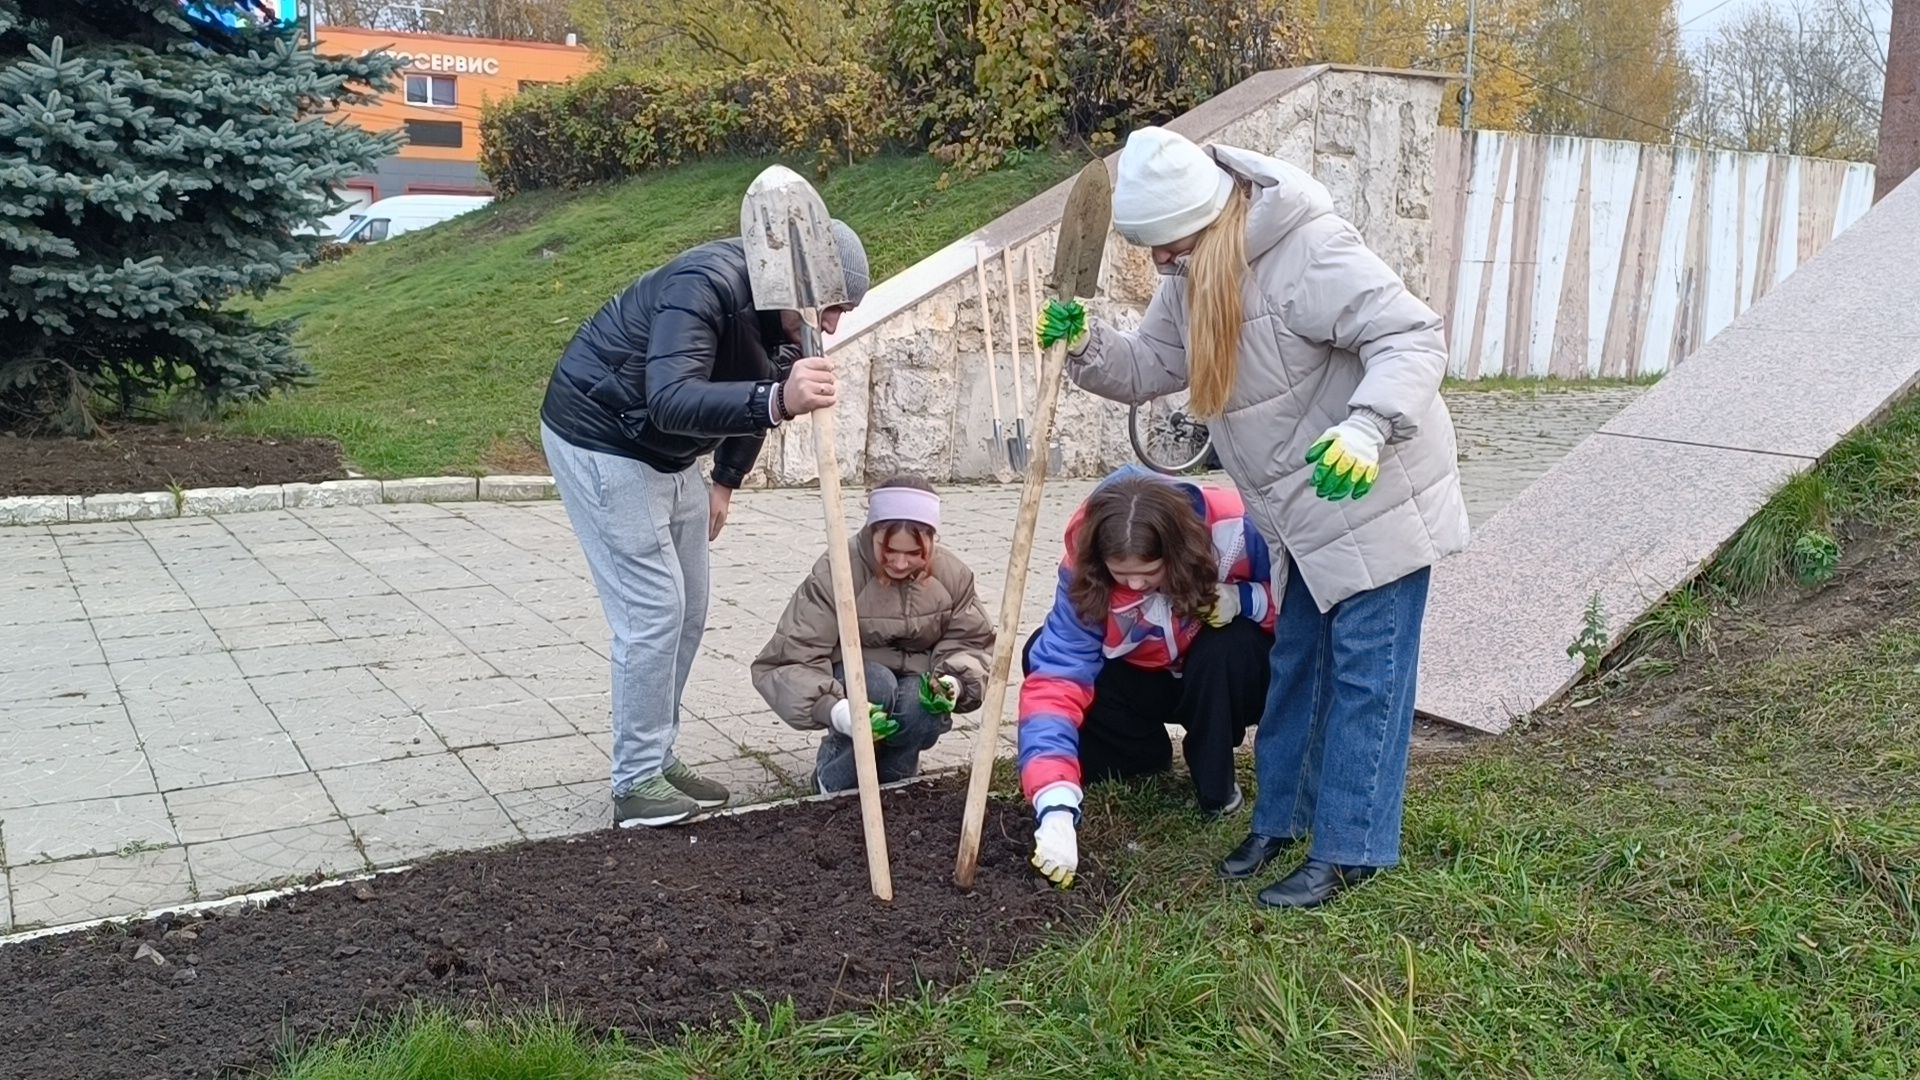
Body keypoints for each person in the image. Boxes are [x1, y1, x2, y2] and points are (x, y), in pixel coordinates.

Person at [1036, 127, 1470, 908]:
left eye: (1169, 246)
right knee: (1297, 668)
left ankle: (1352, 848)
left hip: (1370, 489)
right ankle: (1283, 820)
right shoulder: (1196, 273)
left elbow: (1412, 334)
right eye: (1152, 251)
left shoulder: (1312, 252)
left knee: (1367, 677)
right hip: (1300, 513)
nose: (1161, 264)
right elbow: (1154, 367)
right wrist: (1088, 348)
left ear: (1206, 218)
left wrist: (1368, 427)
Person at [539, 219, 869, 828]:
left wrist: (725, 480)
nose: (832, 326)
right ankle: (636, 782)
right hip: (603, 435)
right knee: (653, 612)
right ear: (796, 284)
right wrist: (778, 401)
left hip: (670, 453)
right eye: (830, 307)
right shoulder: (705, 283)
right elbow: (670, 395)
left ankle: (659, 756)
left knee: (690, 608)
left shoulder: (783, 317)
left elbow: (760, 389)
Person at [1022, 467, 1277, 889]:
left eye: (1149, 571)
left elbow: (1304, 600)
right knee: (1039, 649)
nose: (1136, 584)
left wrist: (1246, 599)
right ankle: (1140, 757)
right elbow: (1056, 679)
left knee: (1226, 644)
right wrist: (1054, 805)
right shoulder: (1084, 568)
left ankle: (1216, 785)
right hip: (1144, 675)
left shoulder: (1237, 525)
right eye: (1122, 574)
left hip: (1219, 673)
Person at [751, 476, 995, 793]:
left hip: (915, 679)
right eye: (889, 550)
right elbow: (791, 657)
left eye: (915, 553)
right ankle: (836, 780)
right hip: (854, 679)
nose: (900, 562)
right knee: (876, 686)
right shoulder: (838, 570)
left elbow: (971, 642)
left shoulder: (953, 576)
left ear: (932, 540)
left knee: (921, 706)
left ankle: (896, 778)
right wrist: (835, 710)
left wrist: (954, 683)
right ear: (873, 531)